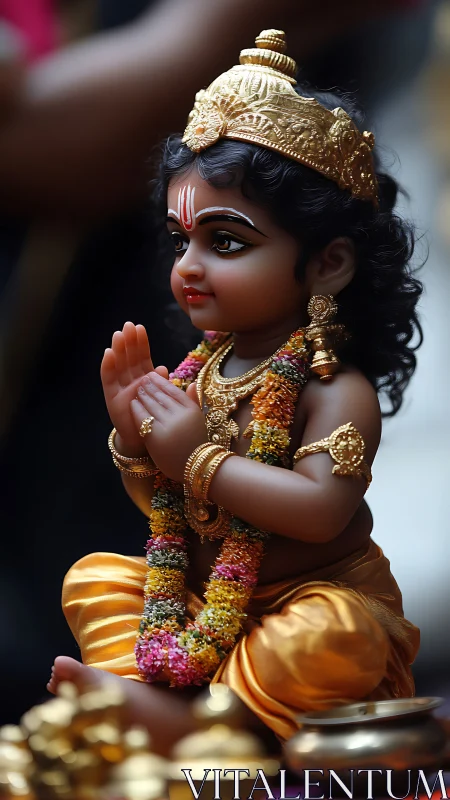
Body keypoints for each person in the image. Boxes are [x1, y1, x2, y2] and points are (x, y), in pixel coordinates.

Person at [48, 30, 422, 755]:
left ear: (329, 265)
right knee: (94, 578)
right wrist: (136, 442)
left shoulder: (332, 390)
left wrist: (193, 455)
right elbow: (179, 516)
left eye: (225, 242)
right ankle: (162, 700)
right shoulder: (203, 371)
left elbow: (319, 512)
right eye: (180, 239)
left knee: (331, 637)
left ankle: (204, 726)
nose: (188, 266)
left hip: (302, 606)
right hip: (198, 605)